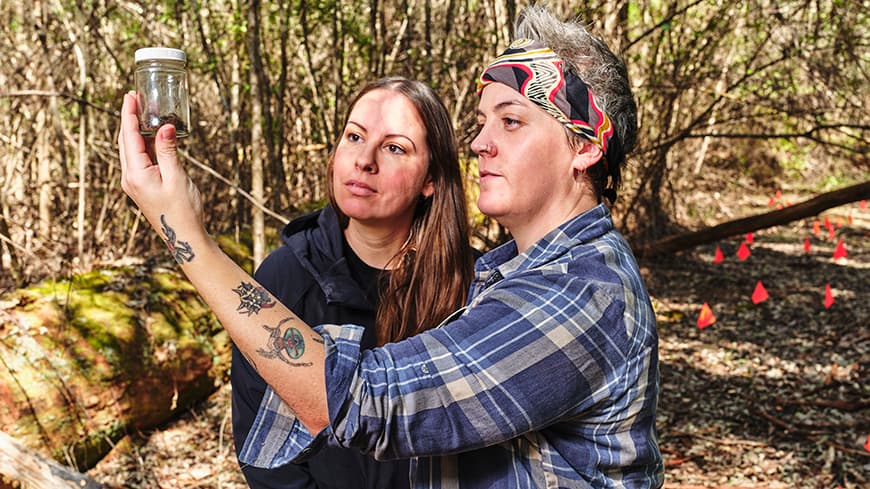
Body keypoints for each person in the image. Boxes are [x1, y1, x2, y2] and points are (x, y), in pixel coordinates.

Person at [118, 5, 663, 488]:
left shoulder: (578, 292)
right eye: (480, 123)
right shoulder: (510, 276)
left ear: (586, 146)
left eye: (512, 122)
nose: (480, 142)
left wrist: (186, 234)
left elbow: (363, 402)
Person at [229, 77, 476, 488]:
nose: (365, 160)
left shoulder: (473, 286)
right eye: (355, 136)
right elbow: (262, 448)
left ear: (431, 180)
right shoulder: (284, 278)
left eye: (395, 147)